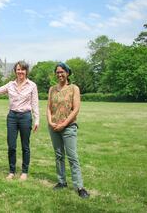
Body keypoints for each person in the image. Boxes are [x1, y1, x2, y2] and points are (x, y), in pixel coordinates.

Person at [47, 62, 90, 198]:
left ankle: (79, 186)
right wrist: (50, 121)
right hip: (53, 127)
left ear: (67, 73)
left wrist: (64, 124)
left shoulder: (74, 88)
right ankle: (61, 182)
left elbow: (76, 109)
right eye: (58, 72)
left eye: (62, 72)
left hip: (69, 127)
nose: (60, 74)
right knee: (59, 155)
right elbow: (48, 107)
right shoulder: (52, 89)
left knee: (72, 157)